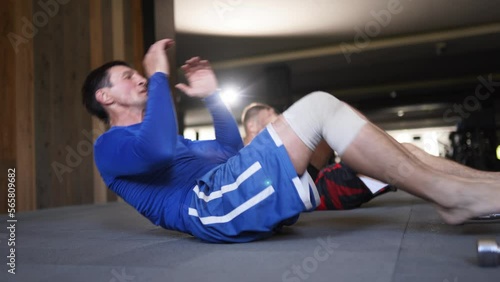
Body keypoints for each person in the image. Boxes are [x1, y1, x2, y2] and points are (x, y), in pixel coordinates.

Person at [82, 39, 500, 243]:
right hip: (209, 209)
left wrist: (211, 95)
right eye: (127, 76)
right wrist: (157, 73)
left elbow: (229, 152)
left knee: (398, 151)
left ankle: (486, 187)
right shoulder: (109, 147)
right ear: (106, 97)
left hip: (231, 191)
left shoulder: (172, 143)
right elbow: (154, 148)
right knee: (318, 107)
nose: (138, 76)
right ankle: (452, 196)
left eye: (140, 73)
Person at [241, 102, 395, 210]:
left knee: (334, 111)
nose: (277, 116)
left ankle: (388, 166)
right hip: (299, 194)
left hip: (312, 179)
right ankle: (387, 171)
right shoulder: (243, 154)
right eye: (270, 114)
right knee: (388, 163)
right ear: (252, 126)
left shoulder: (278, 145)